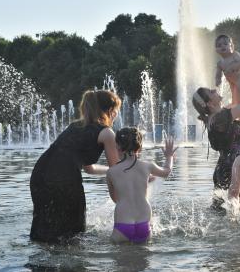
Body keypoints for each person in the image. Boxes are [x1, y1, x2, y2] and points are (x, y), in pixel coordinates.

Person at [30, 90, 121, 243]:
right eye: (117, 109)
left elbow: (90, 168)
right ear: (110, 110)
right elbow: (117, 171)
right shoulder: (107, 133)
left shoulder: (75, 126)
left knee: (45, 226)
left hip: (40, 175)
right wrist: (141, 175)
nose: (117, 113)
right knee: (73, 231)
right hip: (64, 179)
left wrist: (110, 170)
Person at [192, 71, 240, 209]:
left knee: (224, 213)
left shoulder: (215, 119)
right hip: (234, 168)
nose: (215, 90)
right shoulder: (220, 118)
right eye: (211, 92)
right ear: (209, 103)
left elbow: (237, 102)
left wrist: (235, 83)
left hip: (225, 168)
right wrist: (238, 80)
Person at [106, 127, 177, 243]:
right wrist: (169, 156)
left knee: (120, 258)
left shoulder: (111, 172)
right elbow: (166, 171)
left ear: (118, 147)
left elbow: (115, 199)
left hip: (122, 227)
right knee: (143, 259)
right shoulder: (147, 166)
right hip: (144, 227)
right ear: (139, 148)